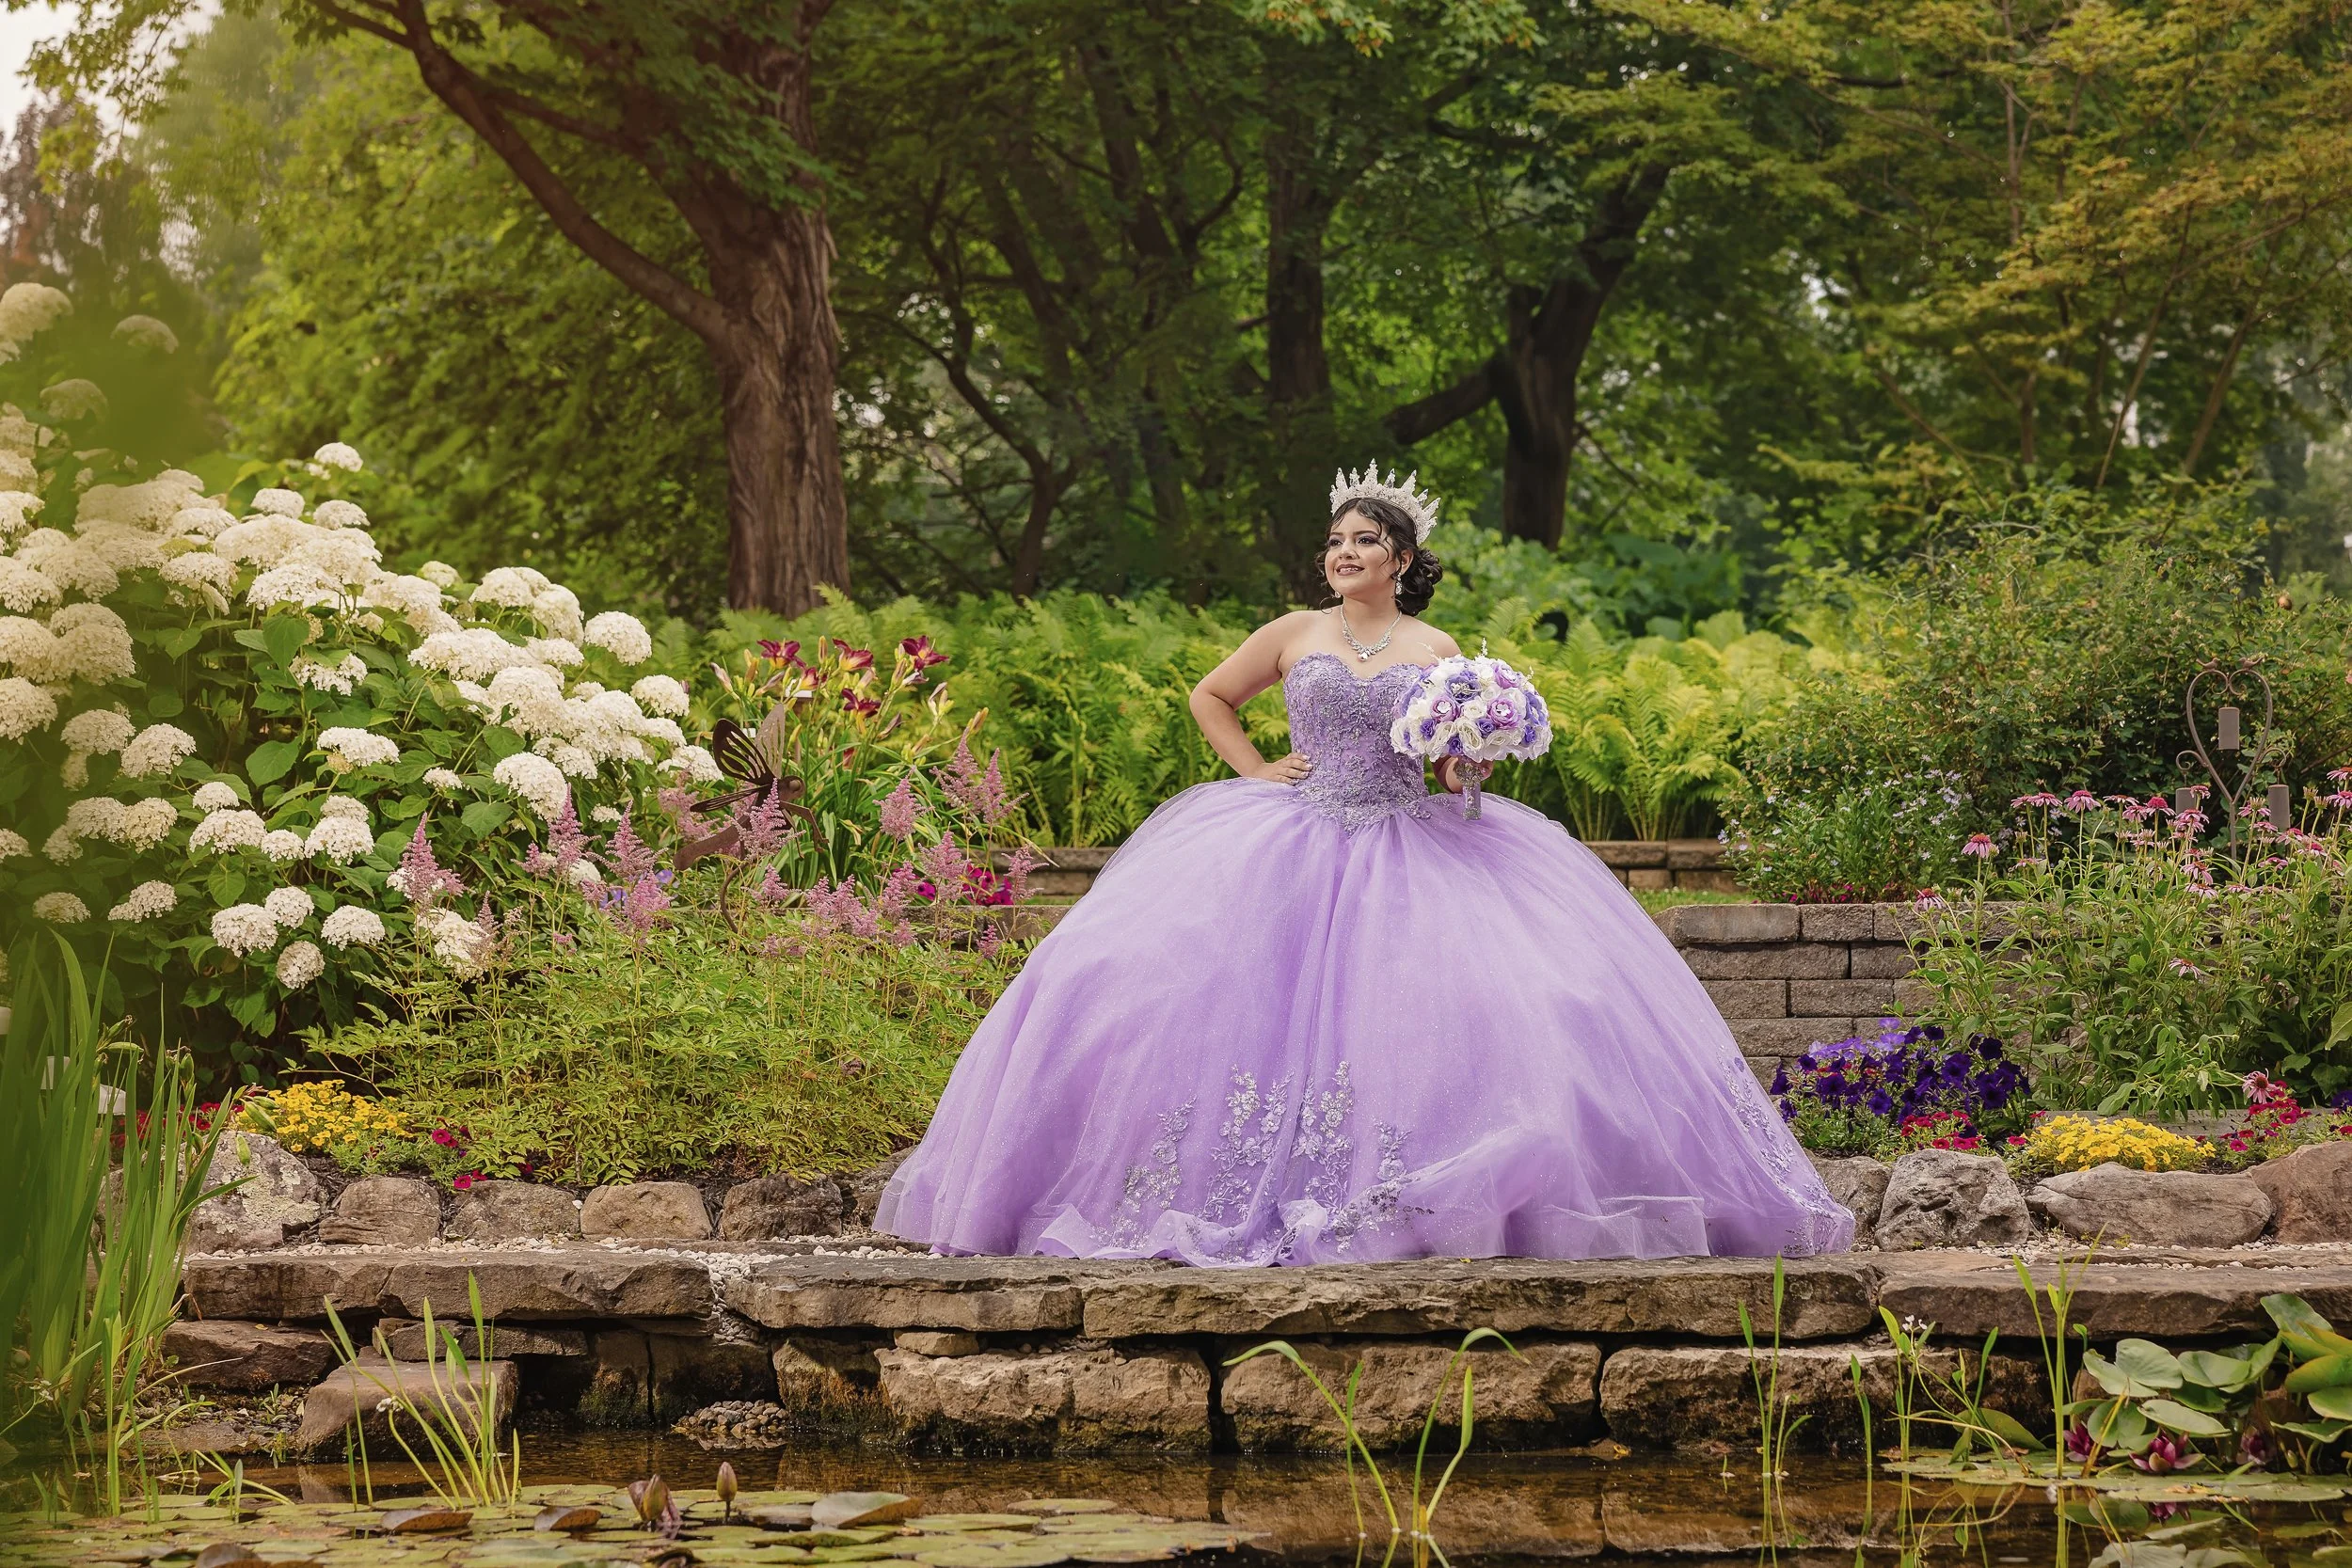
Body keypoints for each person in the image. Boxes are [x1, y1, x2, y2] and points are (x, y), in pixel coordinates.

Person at [876, 468, 1853, 1263]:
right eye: (1335, 541)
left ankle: (1416, 1194)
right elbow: (1210, 696)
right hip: (1288, 835)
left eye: (1365, 541)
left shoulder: (1435, 647)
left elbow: (1446, 762)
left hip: (1405, 838)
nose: (1345, 553)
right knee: (1144, 985)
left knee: (1504, 1003)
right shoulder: (1292, 632)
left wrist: (1472, 754)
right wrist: (1256, 768)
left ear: (1403, 560)